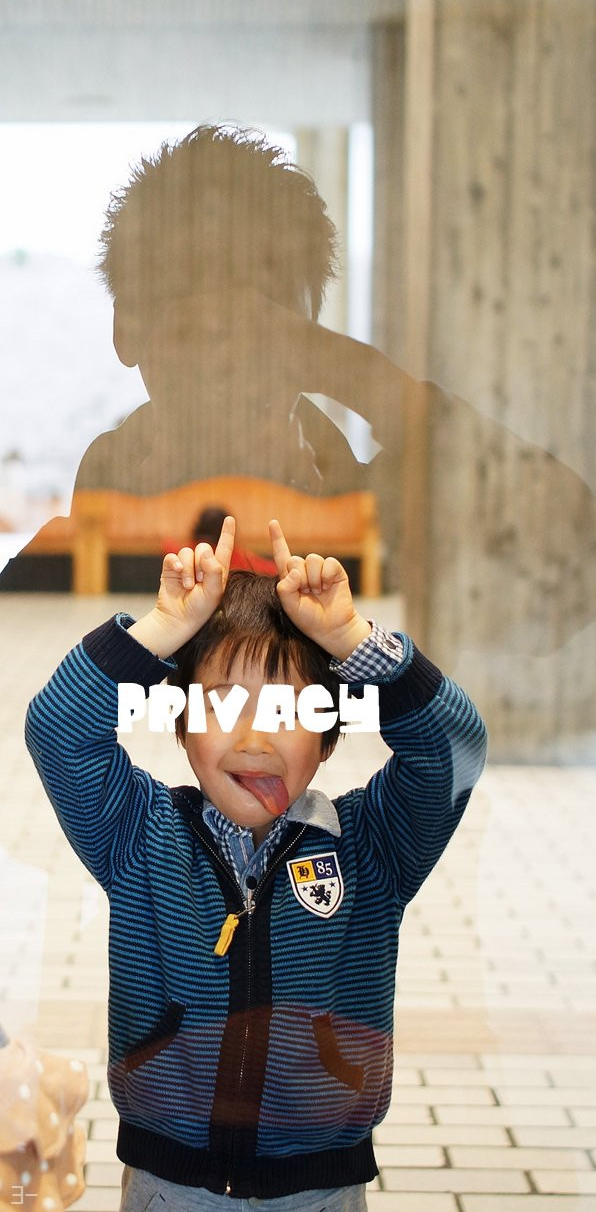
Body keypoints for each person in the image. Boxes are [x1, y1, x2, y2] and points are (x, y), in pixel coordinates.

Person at [2, 125, 596, 657]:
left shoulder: (380, 517)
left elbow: (592, 548)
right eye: (188, 303)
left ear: (308, 330)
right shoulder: (97, 532)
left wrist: (358, 374)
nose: (226, 342)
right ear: (128, 330)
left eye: (263, 305)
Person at [25, 517, 487, 1210]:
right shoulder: (140, 835)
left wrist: (350, 640)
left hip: (320, 1187)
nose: (254, 737)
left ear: (329, 737)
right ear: (181, 725)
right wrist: (165, 627)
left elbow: (454, 748)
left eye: (289, 710)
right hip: (171, 1184)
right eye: (222, 704)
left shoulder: (371, 846)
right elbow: (59, 729)